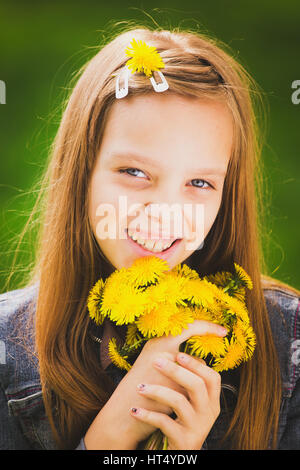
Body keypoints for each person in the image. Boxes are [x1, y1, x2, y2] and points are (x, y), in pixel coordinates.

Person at [0, 24, 299, 451]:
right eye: (135, 173)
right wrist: (109, 440)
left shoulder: (288, 342)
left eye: (199, 182)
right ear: (82, 171)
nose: (165, 212)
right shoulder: (6, 349)